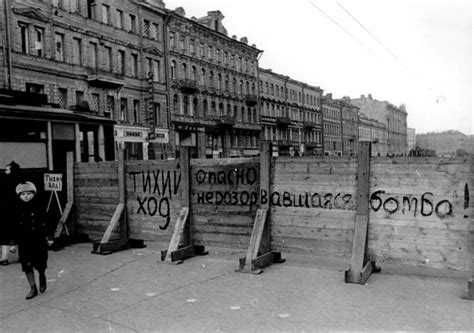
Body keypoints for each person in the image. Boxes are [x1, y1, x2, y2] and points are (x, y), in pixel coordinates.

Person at [10, 181, 54, 299]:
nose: (26, 196)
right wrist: (13, 243)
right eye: (23, 194)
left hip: (39, 240)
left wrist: (49, 237)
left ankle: (42, 276)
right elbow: (14, 227)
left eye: (29, 193)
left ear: (33, 194)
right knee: (27, 265)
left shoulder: (40, 207)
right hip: (24, 242)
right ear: (19, 196)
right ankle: (33, 287)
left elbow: (47, 222)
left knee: (40, 263)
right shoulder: (16, 209)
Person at [0, 161, 21, 266]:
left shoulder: (3, 180)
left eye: (7, 169)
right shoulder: (20, 182)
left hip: (5, 210)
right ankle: (19, 253)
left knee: (4, 233)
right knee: (19, 231)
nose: (5, 171)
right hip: (16, 210)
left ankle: (4, 258)